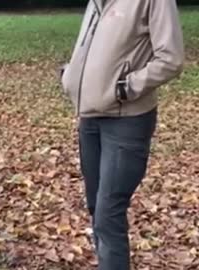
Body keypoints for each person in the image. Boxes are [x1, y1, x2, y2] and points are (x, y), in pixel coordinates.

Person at [60, 0, 184, 269]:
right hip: (90, 117)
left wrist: (127, 87)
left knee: (108, 214)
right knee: (96, 208)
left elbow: (171, 58)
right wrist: (69, 75)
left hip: (126, 121)